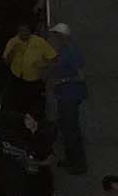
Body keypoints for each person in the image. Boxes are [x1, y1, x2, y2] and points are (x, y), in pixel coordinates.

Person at [46, 22, 86, 175]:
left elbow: (81, 76)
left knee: (71, 130)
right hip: (64, 95)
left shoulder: (72, 51)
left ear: (62, 36)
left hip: (71, 94)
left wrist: (61, 81)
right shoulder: (64, 50)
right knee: (67, 129)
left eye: (56, 35)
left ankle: (78, 164)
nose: (54, 38)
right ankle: (72, 160)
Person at [2, 22, 55, 114]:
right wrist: (13, 51)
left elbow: (54, 58)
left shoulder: (39, 42)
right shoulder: (13, 42)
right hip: (17, 79)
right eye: (20, 31)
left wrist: (44, 64)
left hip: (34, 81)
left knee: (33, 107)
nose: (23, 33)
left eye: (25, 31)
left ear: (30, 31)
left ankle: (33, 123)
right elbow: (6, 62)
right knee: (17, 106)